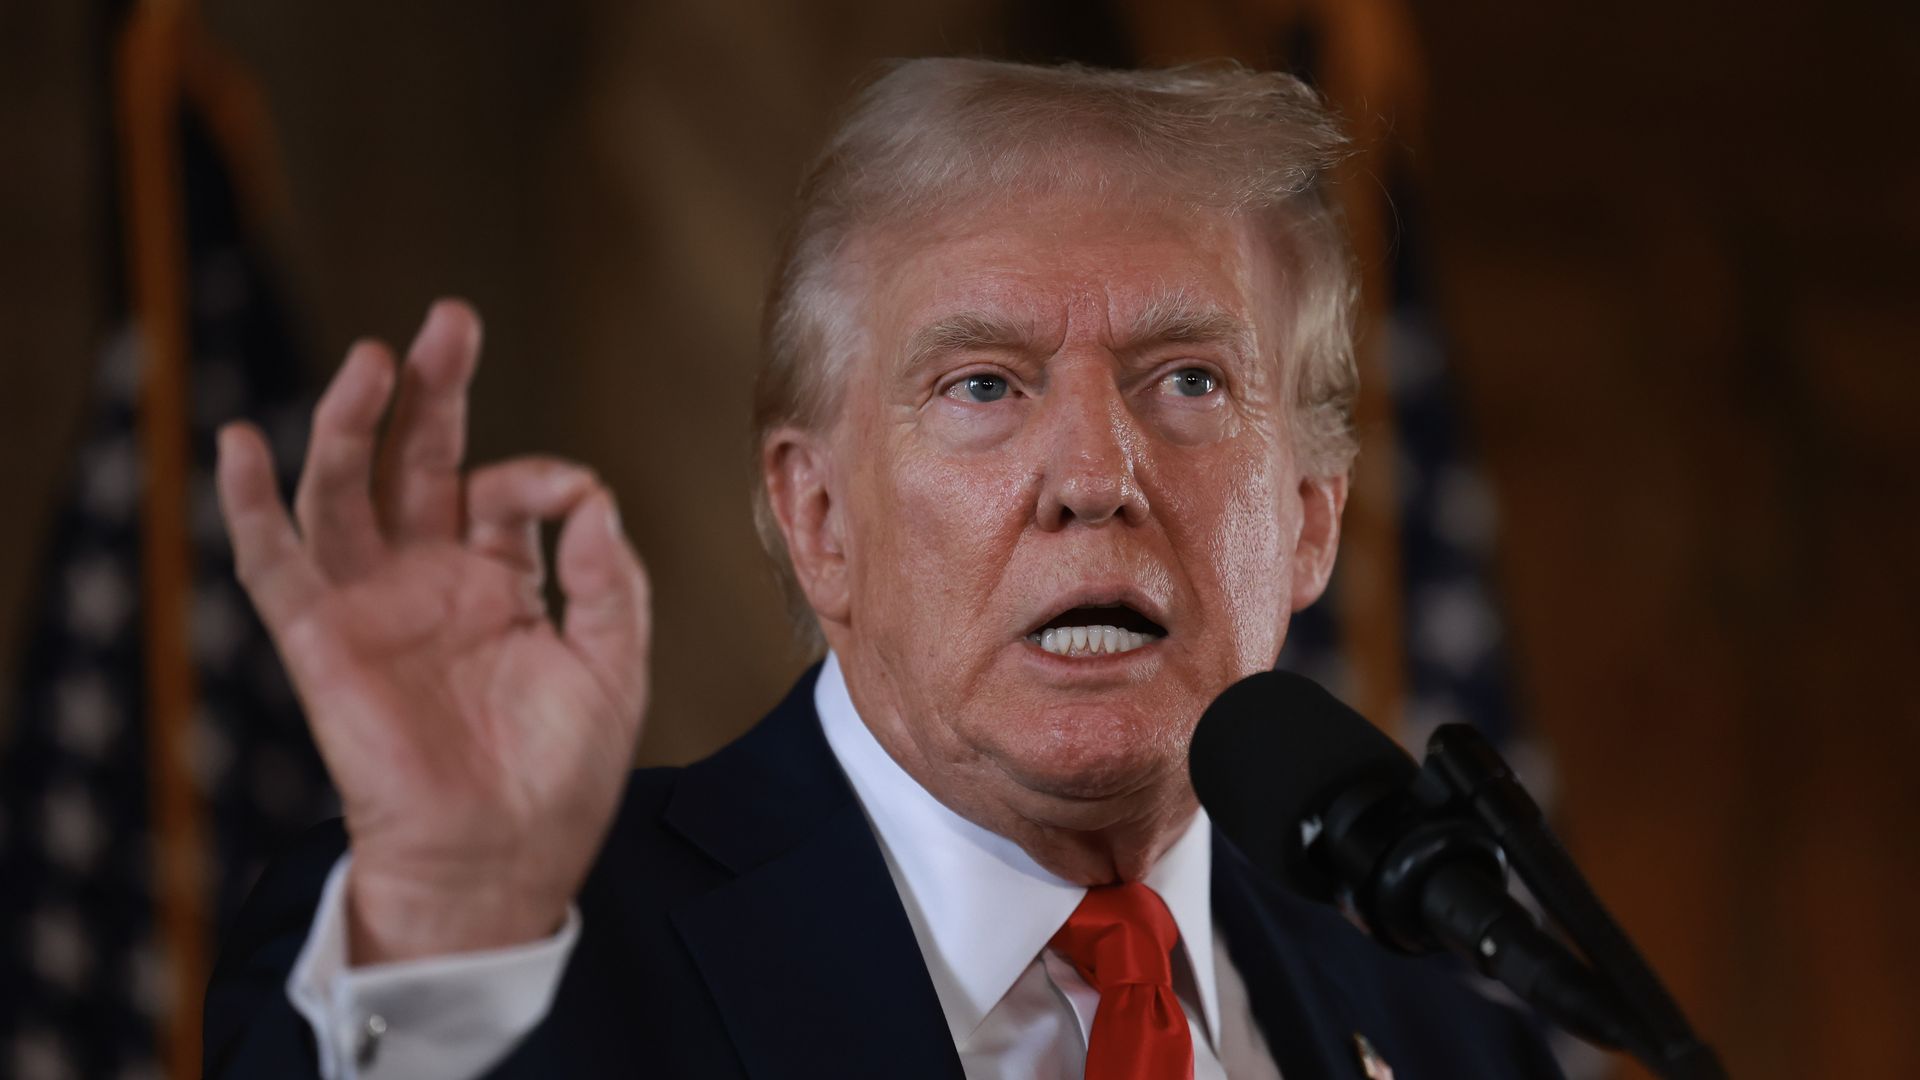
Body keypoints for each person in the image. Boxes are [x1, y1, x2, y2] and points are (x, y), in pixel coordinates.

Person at [203, 58, 1563, 1079]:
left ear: (1315, 516)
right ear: (817, 517)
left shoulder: (1443, 1035)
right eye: (983, 384)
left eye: (1190, 380)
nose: (1095, 478)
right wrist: (445, 948)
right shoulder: (509, 953)